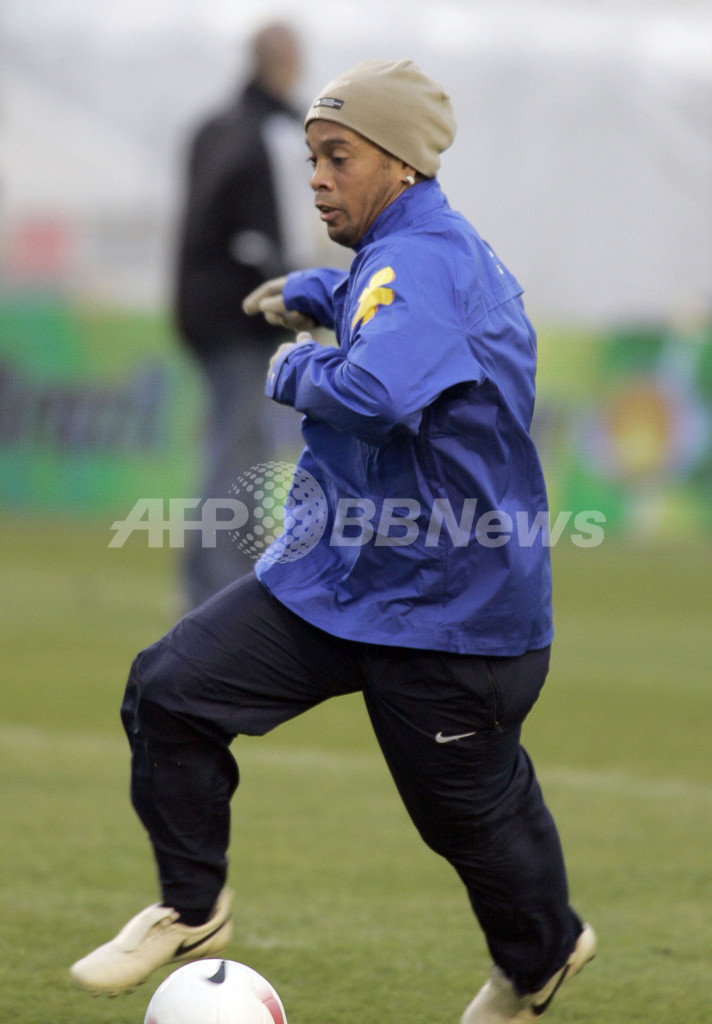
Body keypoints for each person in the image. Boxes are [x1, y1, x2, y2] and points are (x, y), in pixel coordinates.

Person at [70, 59, 596, 1022]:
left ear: (398, 163)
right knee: (172, 689)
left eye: (337, 155)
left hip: (452, 610)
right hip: (343, 580)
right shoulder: (404, 251)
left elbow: (376, 391)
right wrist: (317, 286)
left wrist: (293, 367)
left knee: (467, 817)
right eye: (312, 154)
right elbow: (375, 289)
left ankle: (545, 955)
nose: (316, 175)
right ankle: (192, 908)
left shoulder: (425, 261)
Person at [173, 21, 315, 609]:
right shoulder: (274, 133)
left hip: (199, 305)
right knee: (237, 449)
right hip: (240, 312)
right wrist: (296, 294)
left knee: (239, 443)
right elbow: (259, 234)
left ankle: (224, 578)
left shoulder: (214, 126)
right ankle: (215, 587)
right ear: (283, 63)